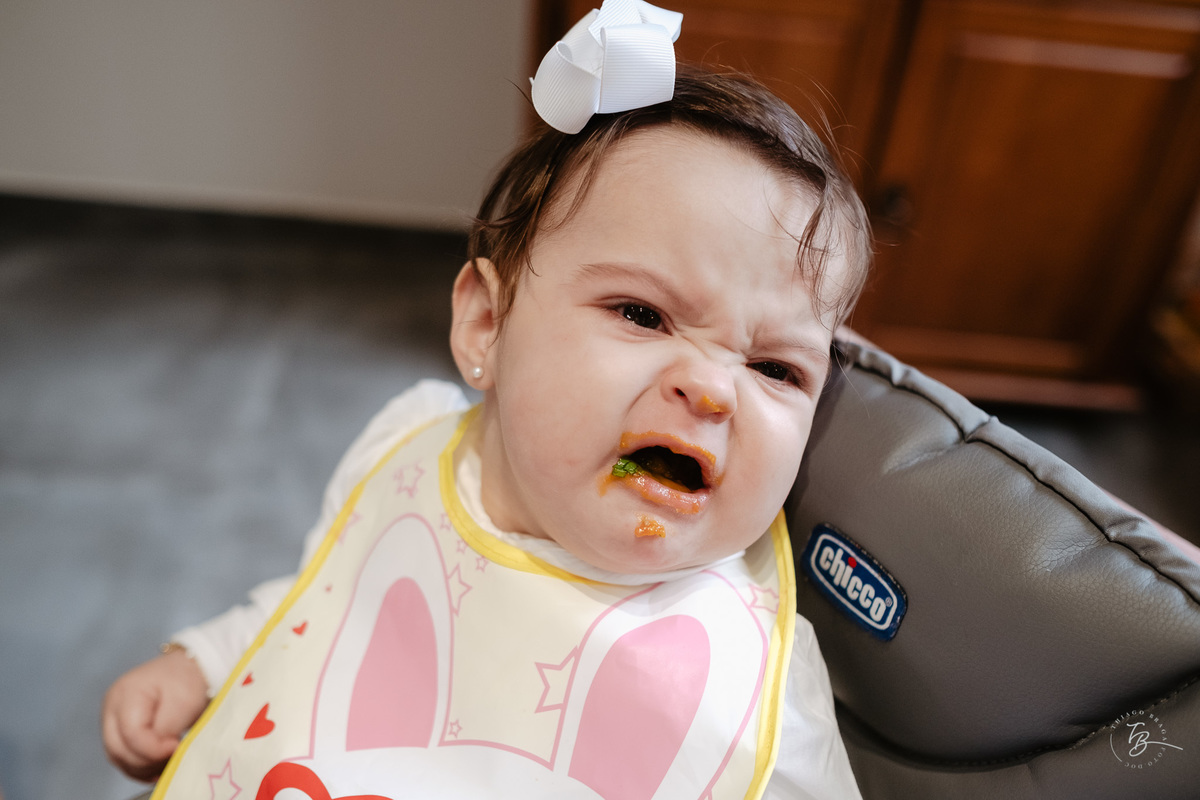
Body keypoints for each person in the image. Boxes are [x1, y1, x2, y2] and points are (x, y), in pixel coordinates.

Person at [102, 3, 872, 797]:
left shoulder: (759, 697)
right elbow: (325, 605)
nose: (712, 389)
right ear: (485, 325)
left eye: (776, 369)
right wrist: (204, 662)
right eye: (643, 315)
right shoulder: (411, 445)